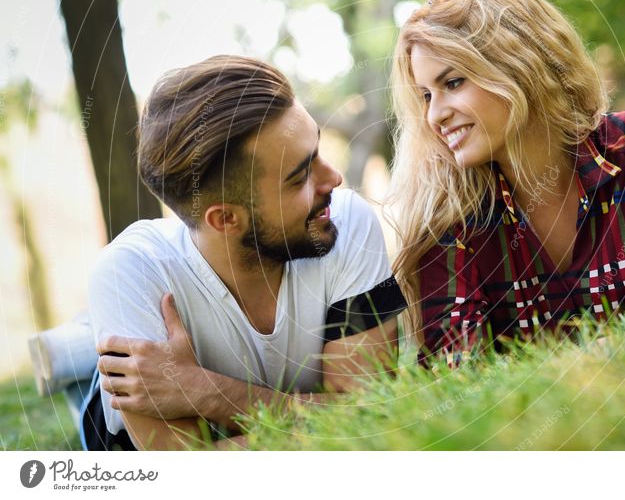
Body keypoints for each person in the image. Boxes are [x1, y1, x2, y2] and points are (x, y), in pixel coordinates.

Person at [387, 0, 625, 368]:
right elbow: (455, 367)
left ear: (519, 66)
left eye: (453, 82)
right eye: (425, 96)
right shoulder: (445, 211)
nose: (434, 115)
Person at [82, 55, 406, 450]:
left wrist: (204, 389)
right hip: (117, 441)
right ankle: (75, 353)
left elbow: (372, 416)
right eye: (301, 175)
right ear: (225, 220)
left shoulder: (343, 219)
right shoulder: (127, 273)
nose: (333, 178)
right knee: (90, 369)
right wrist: (329, 420)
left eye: (318, 150)